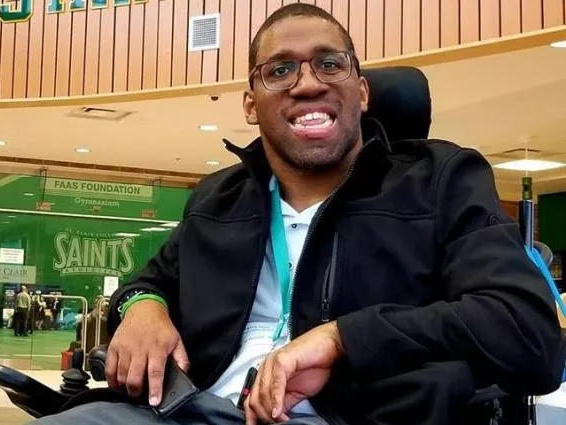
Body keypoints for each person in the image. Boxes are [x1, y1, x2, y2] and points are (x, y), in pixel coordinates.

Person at [32, 4, 563, 425]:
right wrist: (143, 308)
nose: (308, 84)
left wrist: (342, 339)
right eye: (280, 70)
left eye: (330, 63)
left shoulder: (439, 180)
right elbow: (150, 282)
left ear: (361, 90)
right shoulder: (218, 198)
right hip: (187, 409)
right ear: (250, 103)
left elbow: (530, 336)